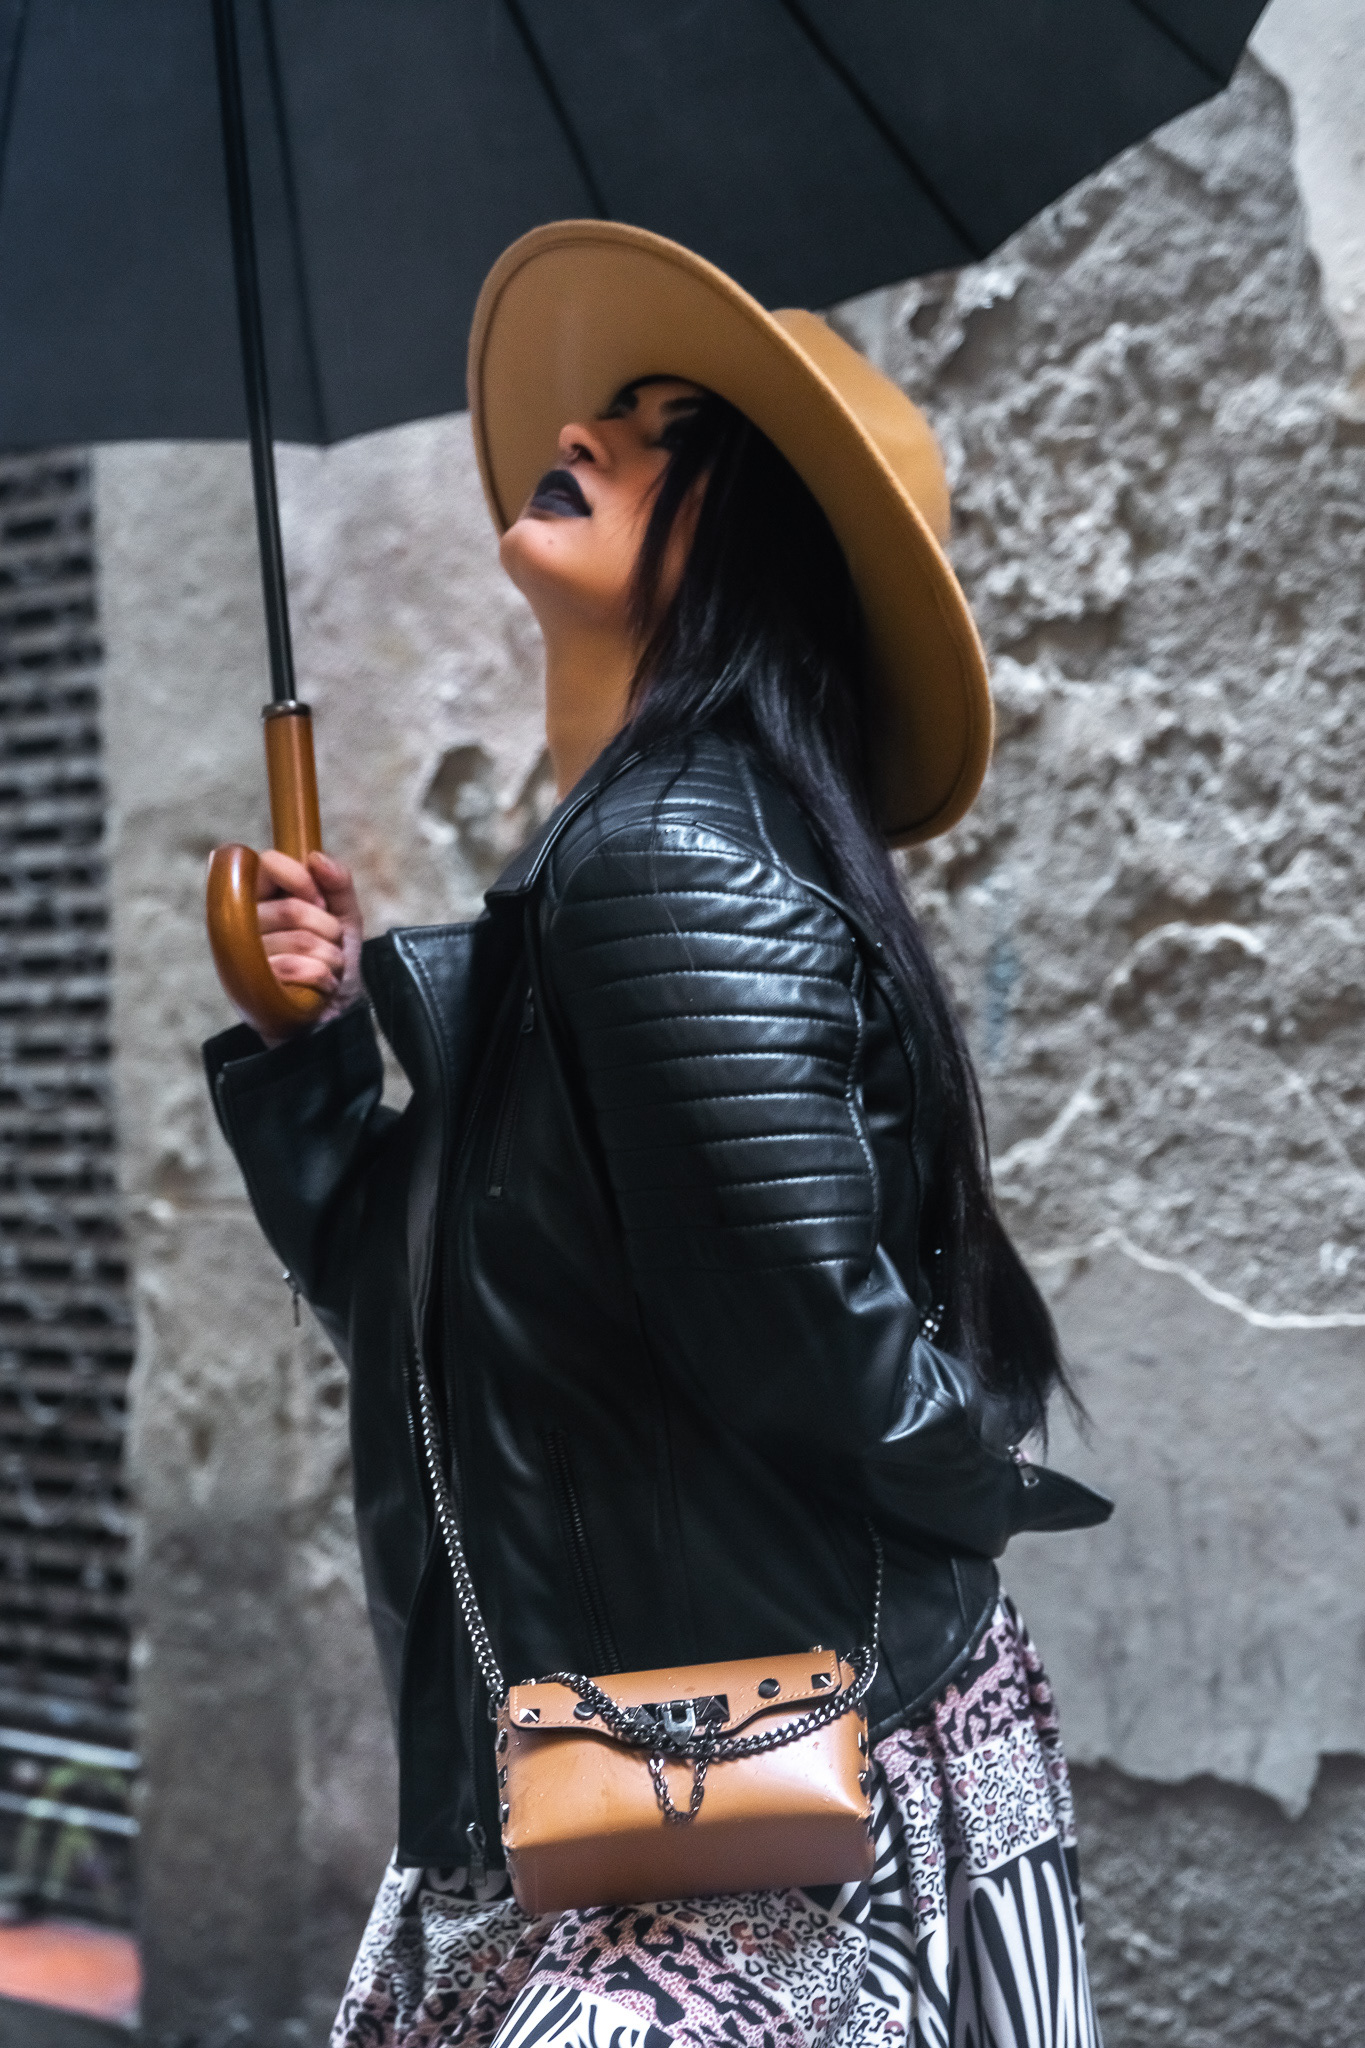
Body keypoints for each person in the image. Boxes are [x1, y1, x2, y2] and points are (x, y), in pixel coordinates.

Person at [205, 223, 1110, 2048]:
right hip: (649, 1773)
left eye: (662, 434)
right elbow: (431, 1322)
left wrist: (971, 1486)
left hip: (745, 1803)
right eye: (604, 410)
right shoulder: (604, 870)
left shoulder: (660, 862)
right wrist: (309, 1054)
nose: (585, 433)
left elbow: (806, 1329)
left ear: (761, 550)